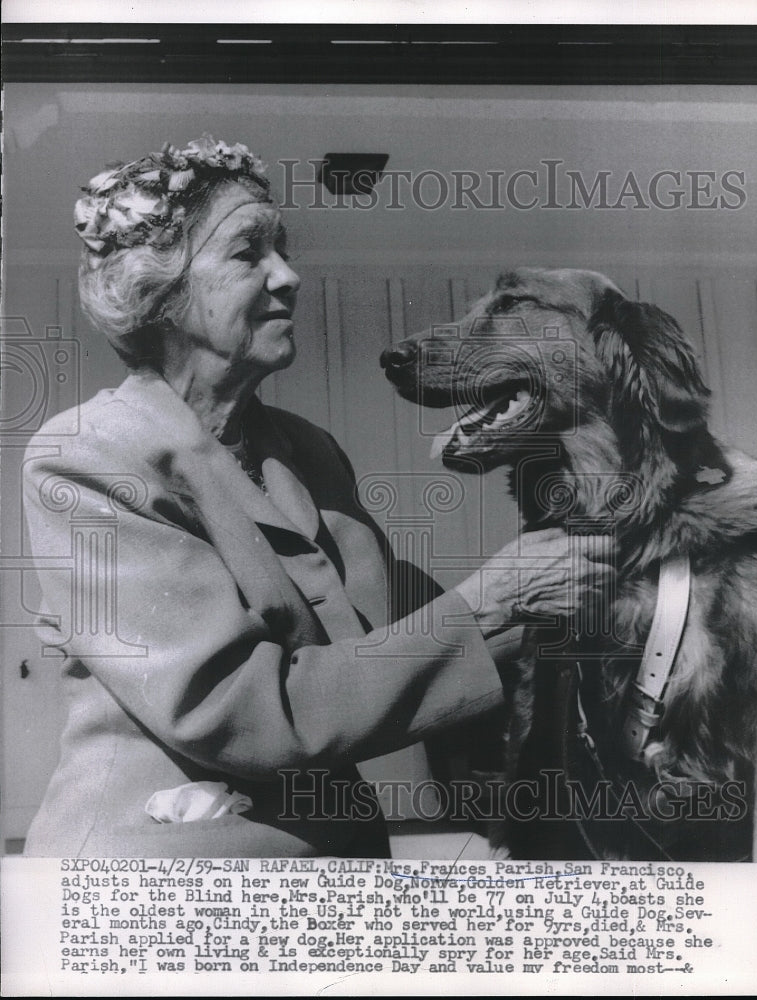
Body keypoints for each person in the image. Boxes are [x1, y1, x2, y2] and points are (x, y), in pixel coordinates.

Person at [22, 136, 612, 857]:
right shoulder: (90, 456)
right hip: (160, 884)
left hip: (334, 865)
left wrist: (628, 580)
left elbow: (409, 635)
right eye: (248, 253)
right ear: (162, 293)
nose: (289, 276)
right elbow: (240, 714)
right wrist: (495, 597)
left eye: (284, 249)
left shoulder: (308, 453)